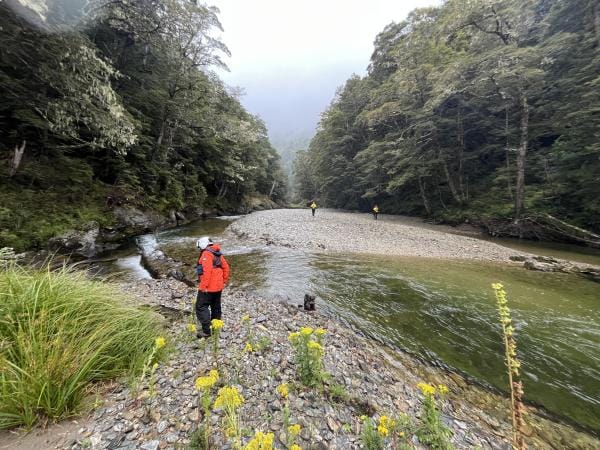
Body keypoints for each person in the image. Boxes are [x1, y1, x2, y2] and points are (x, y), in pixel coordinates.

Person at [194, 236, 230, 338]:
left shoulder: (206, 254)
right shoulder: (217, 252)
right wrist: (224, 281)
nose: (199, 249)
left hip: (208, 287)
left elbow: (207, 272)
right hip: (218, 287)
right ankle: (215, 327)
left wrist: (203, 286)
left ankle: (206, 331)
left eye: (199, 247)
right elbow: (226, 268)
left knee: (201, 307)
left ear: (202, 244)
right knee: (216, 307)